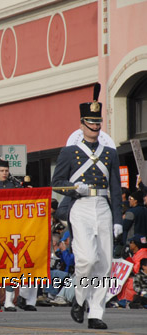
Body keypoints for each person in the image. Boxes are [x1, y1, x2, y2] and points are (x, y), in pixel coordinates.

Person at [52, 83, 121, 330]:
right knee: (87, 260)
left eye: (97, 122)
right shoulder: (69, 152)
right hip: (80, 207)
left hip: (102, 205)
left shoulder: (110, 153)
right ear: (82, 124)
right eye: (90, 122)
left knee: (104, 264)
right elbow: (56, 182)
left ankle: (96, 313)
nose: (95, 126)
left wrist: (117, 220)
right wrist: (74, 188)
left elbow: (115, 189)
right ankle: (80, 298)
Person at [0, 159, 21, 312]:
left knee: (11, 267)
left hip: (11, 229)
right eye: (1, 171)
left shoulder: (15, 187)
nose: (4, 173)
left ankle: (8, 300)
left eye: (6, 171)